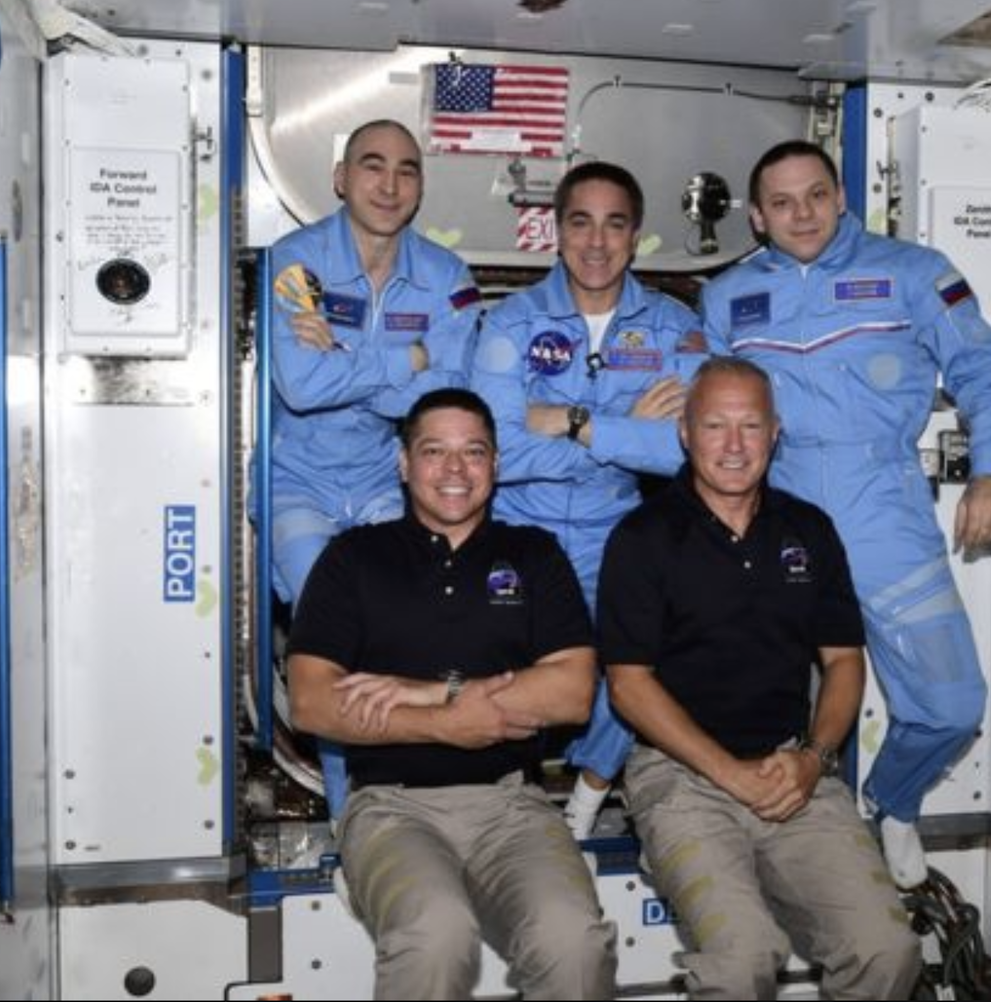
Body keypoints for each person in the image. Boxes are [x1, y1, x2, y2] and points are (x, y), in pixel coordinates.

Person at [699, 140, 991, 888]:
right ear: (756, 216)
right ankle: (752, 827)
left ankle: (893, 799)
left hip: (883, 508)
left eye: (815, 195)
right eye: (781, 202)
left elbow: (981, 369)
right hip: (771, 514)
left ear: (841, 196)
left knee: (951, 703)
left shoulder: (912, 271)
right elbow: (701, 411)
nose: (801, 213)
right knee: (747, 695)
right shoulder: (725, 297)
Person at [600, 358, 921, 1000]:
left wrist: (813, 759)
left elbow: (843, 663)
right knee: (742, 958)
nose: (735, 444)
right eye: (716, 425)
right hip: (682, 778)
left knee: (889, 952)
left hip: (790, 771)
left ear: (775, 434)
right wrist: (729, 773)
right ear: (685, 433)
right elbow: (628, 685)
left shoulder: (809, 530)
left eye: (751, 425)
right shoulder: (644, 537)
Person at [287, 388, 618, 1001]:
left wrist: (435, 692)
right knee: (437, 934)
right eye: (434, 451)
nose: (455, 470)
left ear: (496, 464)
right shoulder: (353, 559)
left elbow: (572, 692)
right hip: (391, 808)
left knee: (574, 940)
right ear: (403, 463)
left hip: (513, 808)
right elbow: (312, 700)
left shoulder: (535, 555)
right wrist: (446, 725)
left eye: (474, 452)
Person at [470, 160, 704, 839]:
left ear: (635, 238)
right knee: (490, 666)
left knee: (641, 663)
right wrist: (630, 424)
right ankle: (503, 797)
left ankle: (590, 792)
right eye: (580, 222)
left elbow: (683, 450)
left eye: (615, 224)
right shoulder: (512, 322)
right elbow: (500, 454)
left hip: (617, 529)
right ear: (556, 232)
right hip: (519, 523)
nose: (596, 242)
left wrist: (572, 419)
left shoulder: (674, 328)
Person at [268, 119, 482, 814]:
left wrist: (346, 360)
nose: (389, 185)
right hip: (299, 480)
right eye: (372, 165)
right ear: (339, 178)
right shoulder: (294, 262)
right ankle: (347, 811)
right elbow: (299, 388)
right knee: (334, 639)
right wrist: (406, 359)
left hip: (385, 480)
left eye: (407, 170)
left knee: (412, 631)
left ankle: (412, 797)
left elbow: (450, 390)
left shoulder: (448, 278)